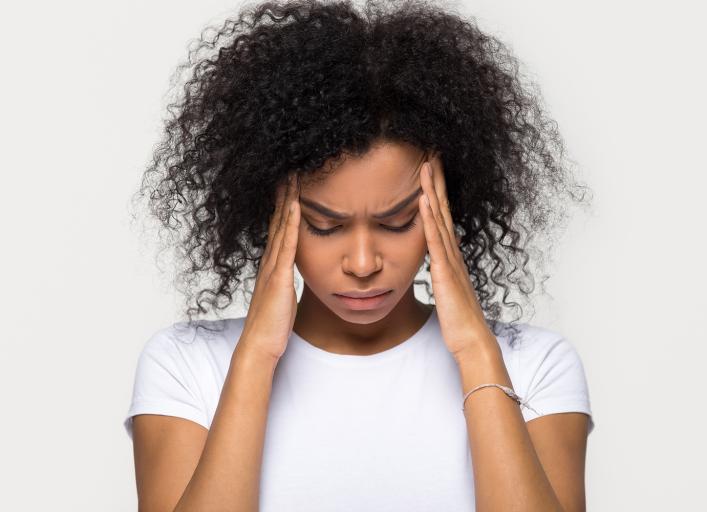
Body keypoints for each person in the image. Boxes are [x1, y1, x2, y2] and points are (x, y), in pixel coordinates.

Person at [124, 0, 595, 510]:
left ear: (447, 209)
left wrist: (477, 353)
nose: (364, 262)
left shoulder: (533, 367)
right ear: (270, 212)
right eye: (325, 226)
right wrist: (257, 357)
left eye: (398, 222)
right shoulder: (188, 366)